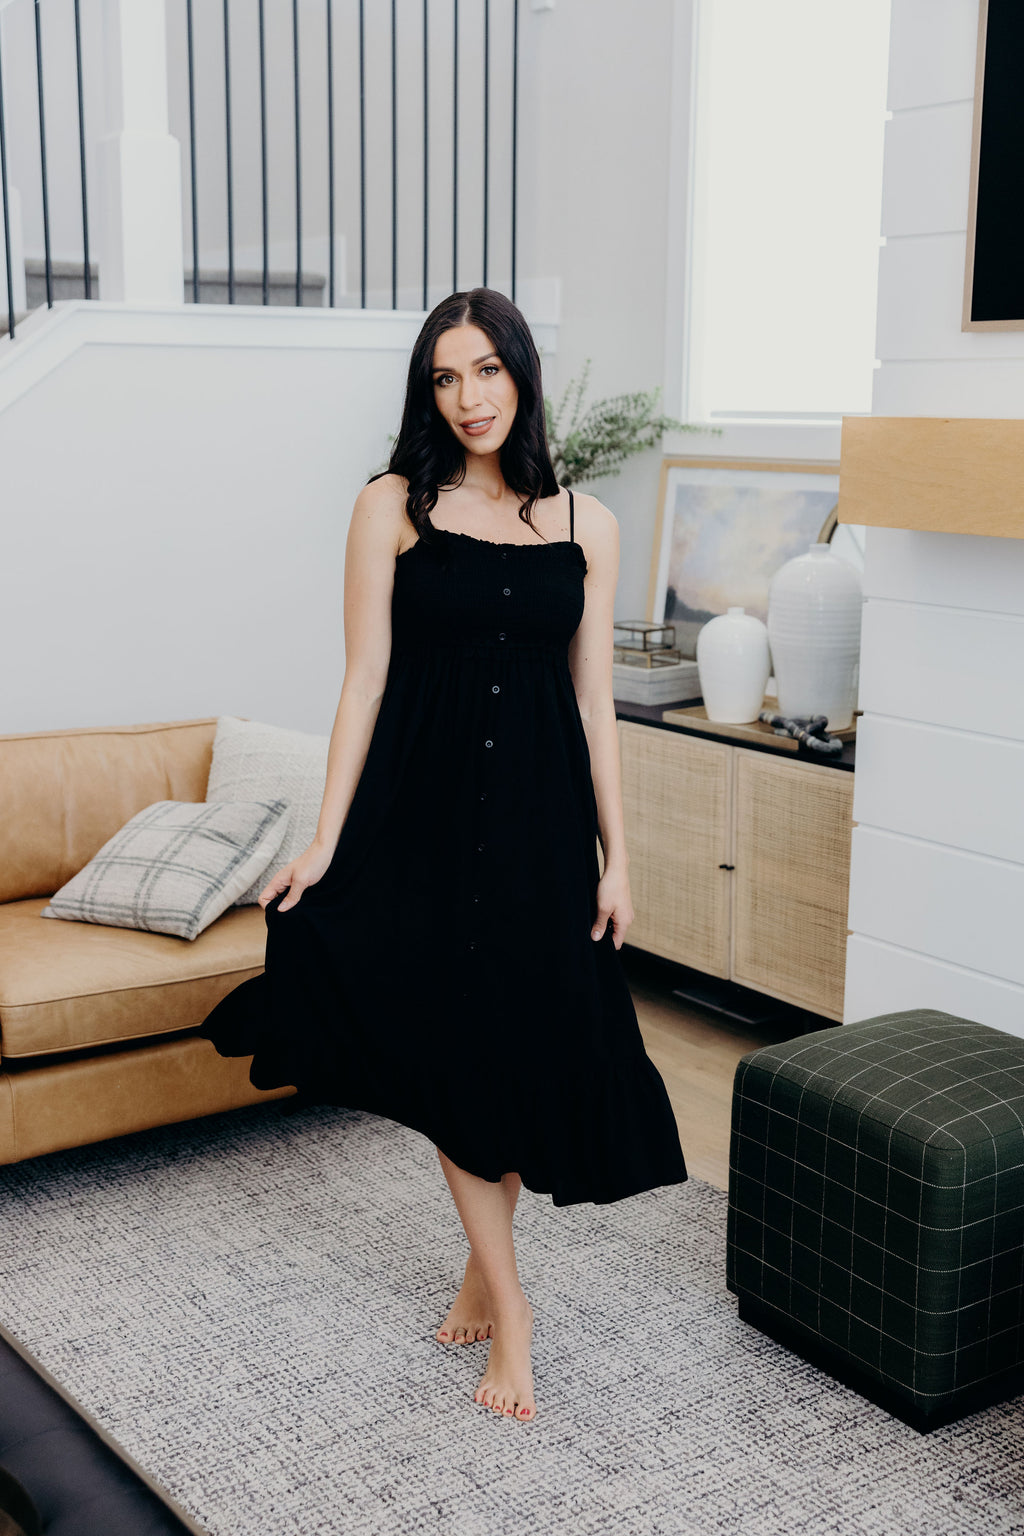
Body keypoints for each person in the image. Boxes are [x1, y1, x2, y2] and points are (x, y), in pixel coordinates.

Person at [199, 287, 688, 1424]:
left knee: (522, 1034)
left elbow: (594, 702)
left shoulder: (587, 525)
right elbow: (363, 678)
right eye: (444, 376)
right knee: (453, 1041)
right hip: (419, 820)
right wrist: (324, 839)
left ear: (521, 375)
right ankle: (513, 1310)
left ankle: (480, 1264)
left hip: (540, 827)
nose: (467, 397)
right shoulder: (391, 506)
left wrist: (620, 855)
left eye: (486, 371)